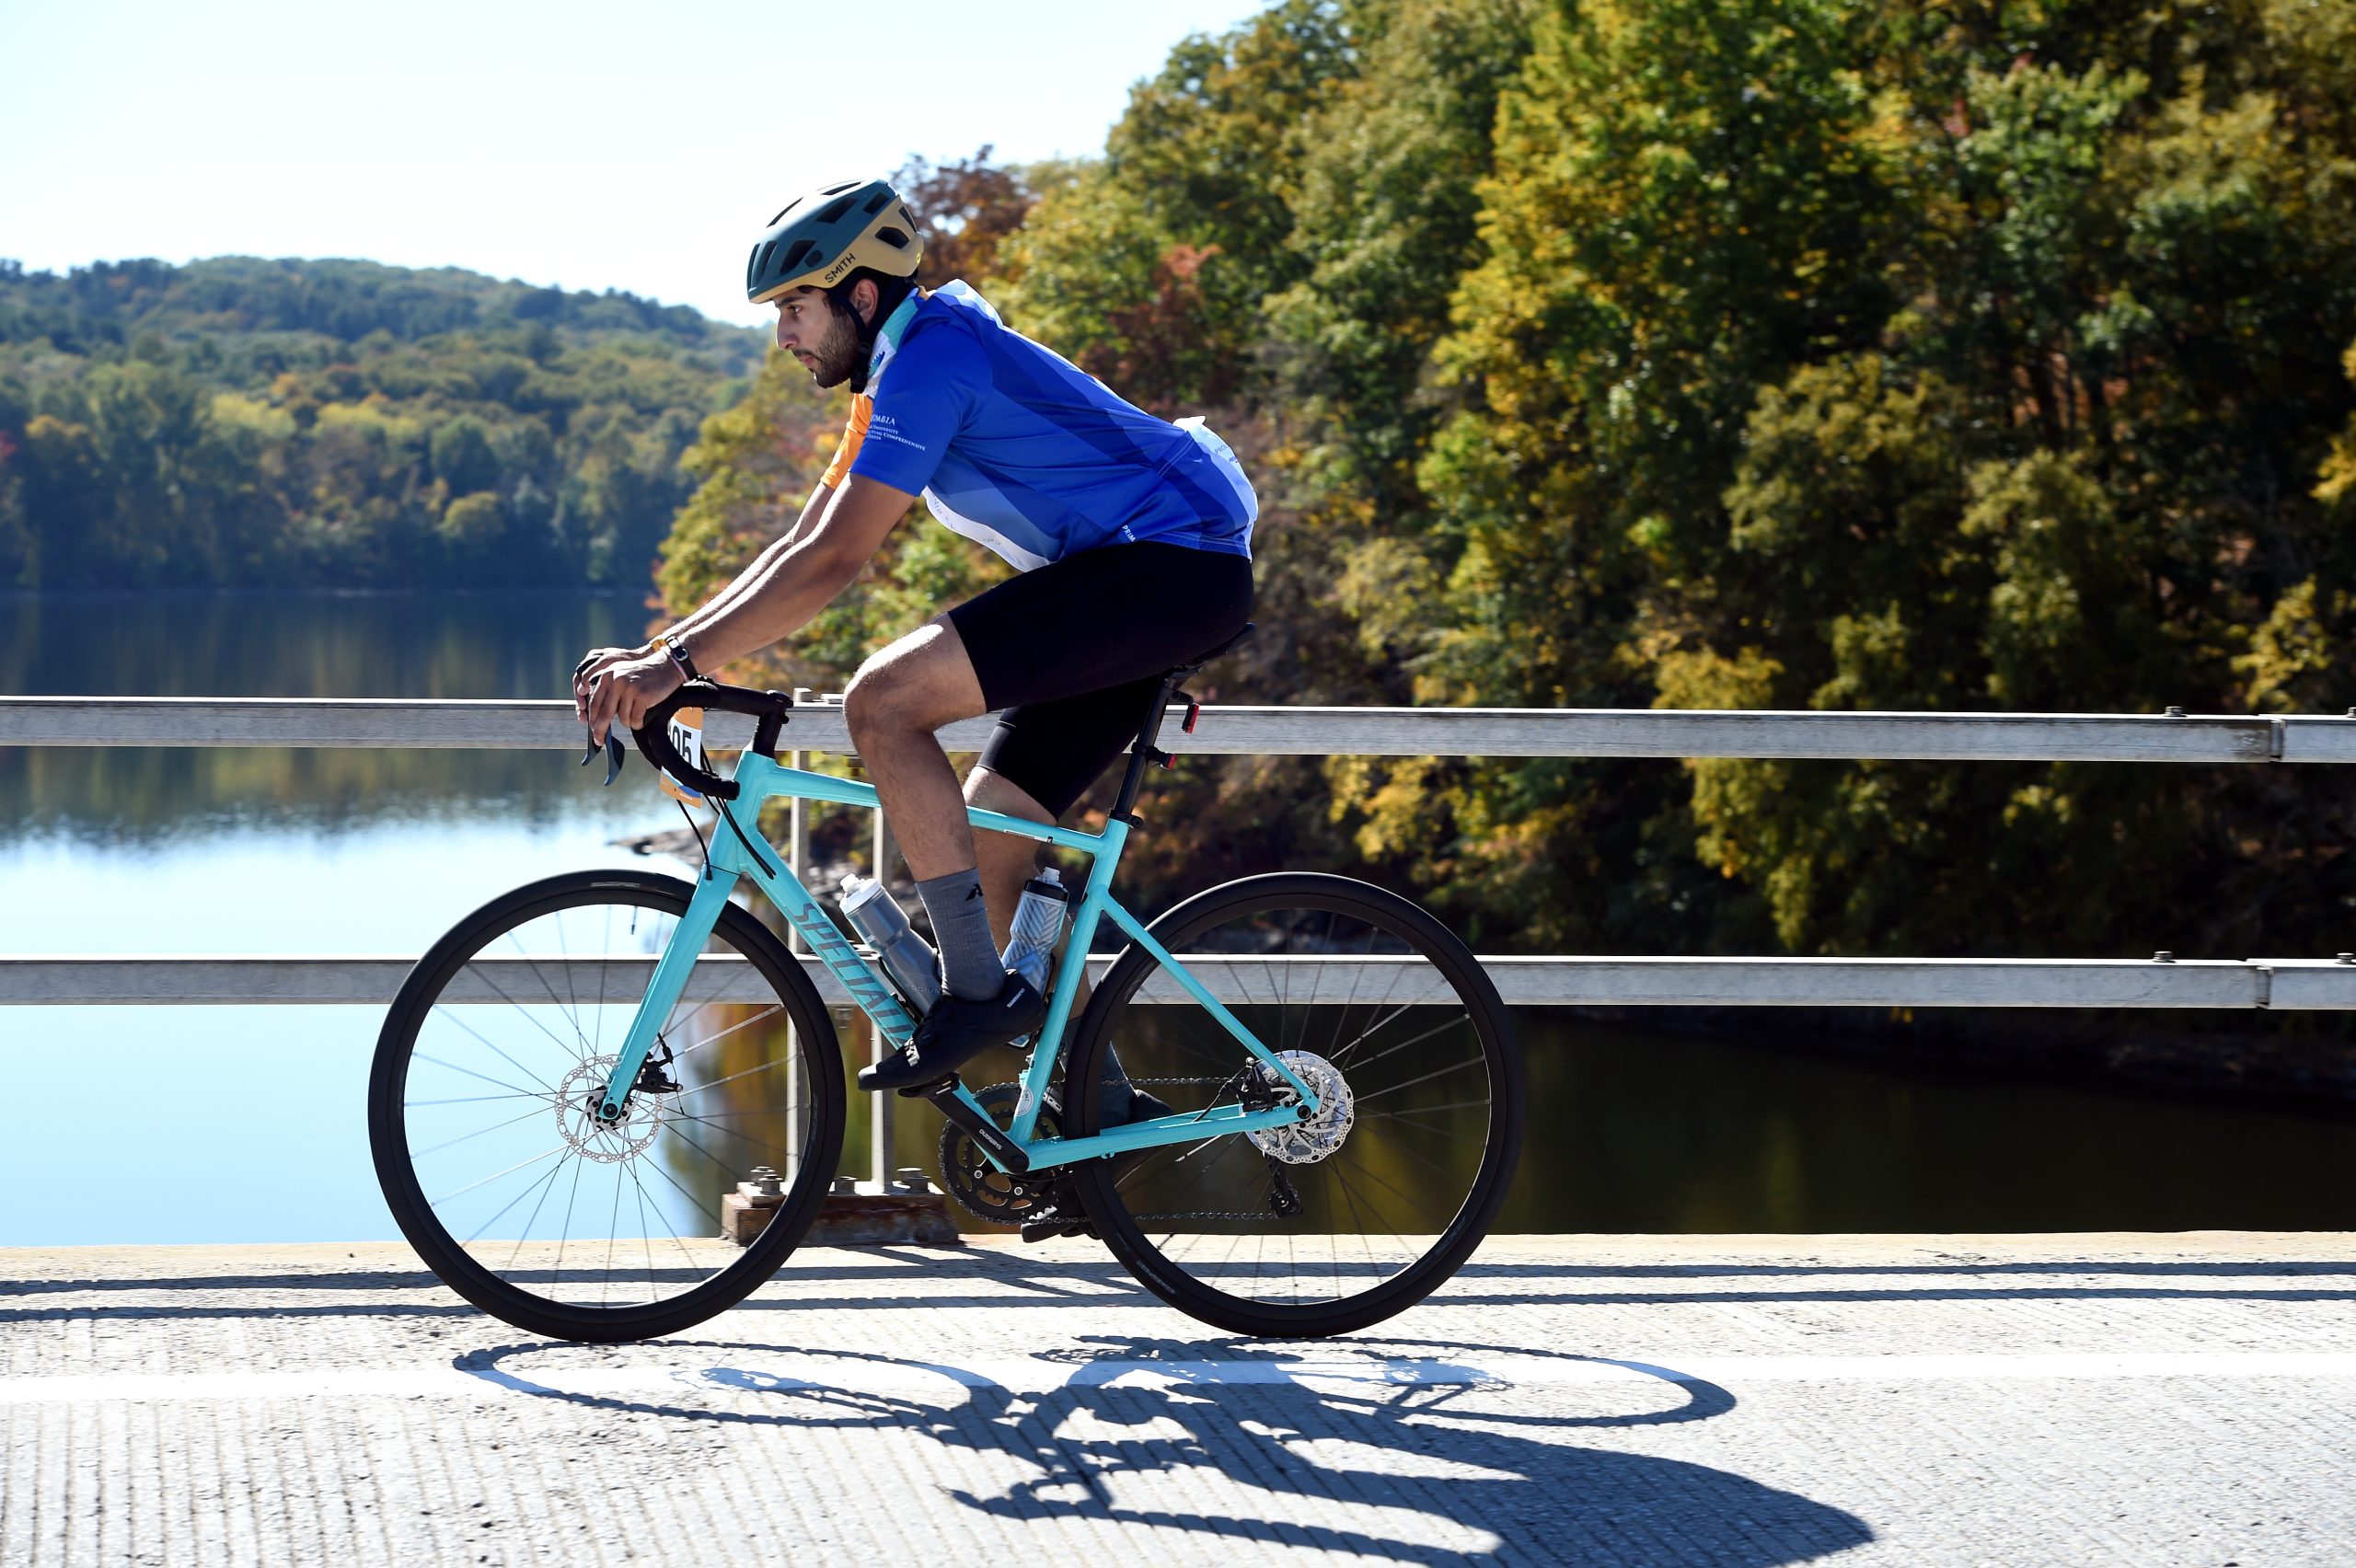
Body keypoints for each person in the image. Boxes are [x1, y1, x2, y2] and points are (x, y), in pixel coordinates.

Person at [575, 176, 1256, 1099]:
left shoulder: (935, 361)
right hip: (1146, 580)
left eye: (794, 309)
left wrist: (676, 666)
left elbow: (836, 563)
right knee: (993, 844)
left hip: (1167, 568)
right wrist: (666, 652)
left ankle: (974, 993)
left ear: (862, 295)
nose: (782, 336)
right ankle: (1098, 1115)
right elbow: (803, 543)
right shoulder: (892, 376)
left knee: (882, 701)